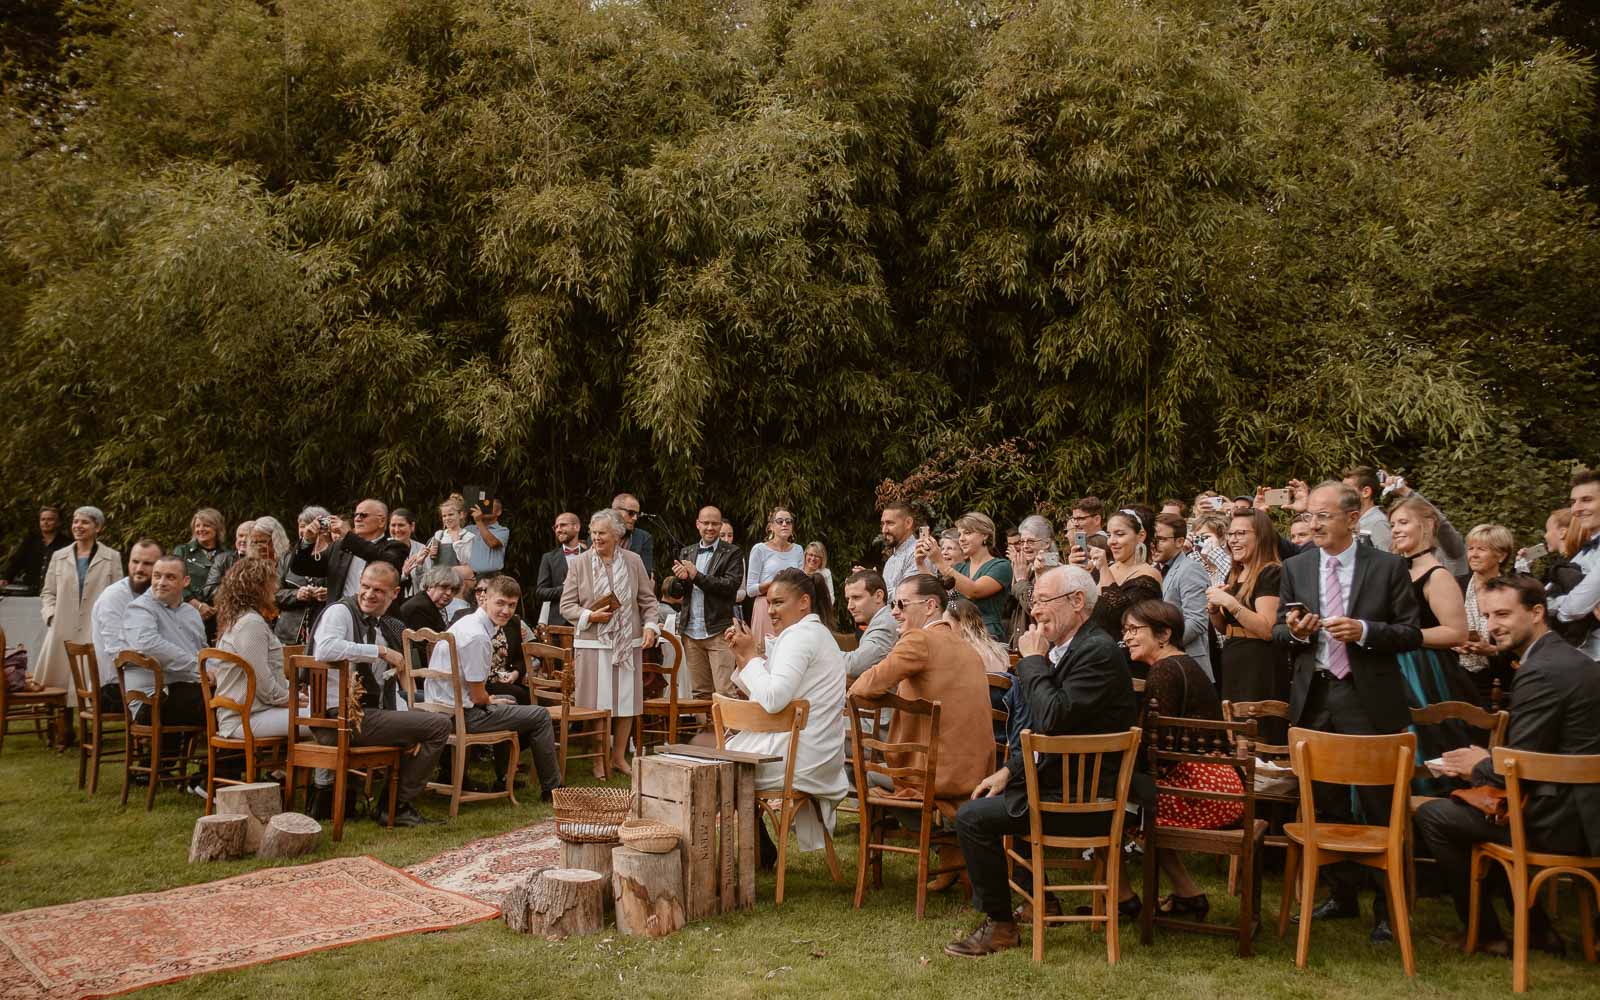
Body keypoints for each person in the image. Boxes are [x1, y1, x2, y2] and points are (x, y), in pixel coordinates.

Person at [944, 566, 1137, 958]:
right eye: (1033, 602)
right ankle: (1040, 901)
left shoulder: (1096, 651)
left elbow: (1051, 718)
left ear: (1077, 602)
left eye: (1044, 601)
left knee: (972, 818)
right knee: (994, 797)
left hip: (1084, 802)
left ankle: (1000, 926)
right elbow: (1049, 735)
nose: (1035, 611)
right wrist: (1008, 770)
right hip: (1060, 786)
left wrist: (1032, 662)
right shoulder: (1076, 647)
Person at [1413, 574, 1600, 957]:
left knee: (1437, 815)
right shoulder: (1562, 658)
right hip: (1574, 805)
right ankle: (1536, 931)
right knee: (1471, 811)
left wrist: (1479, 763)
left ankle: (1487, 934)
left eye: (1502, 614)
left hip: (1566, 820)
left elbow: (1515, 769)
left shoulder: (1544, 670)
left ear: (1536, 613)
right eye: (1486, 616)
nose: (1492, 625)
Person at [1273, 480, 1422, 943]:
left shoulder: (1389, 567)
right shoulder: (1296, 567)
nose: (1313, 524)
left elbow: (1411, 633)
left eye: (1324, 516)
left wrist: (1364, 629)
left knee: (1380, 805)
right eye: (1309, 516)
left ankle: (1387, 907)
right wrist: (1297, 631)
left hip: (1367, 696)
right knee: (1323, 801)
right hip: (1315, 696)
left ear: (1353, 518)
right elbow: (1279, 632)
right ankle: (1340, 894)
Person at [850, 574, 994, 888]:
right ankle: (953, 854)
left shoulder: (919, 641)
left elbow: (862, 686)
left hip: (938, 774)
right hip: (976, 770)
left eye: (901, 604)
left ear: (930, 606)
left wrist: (888, 699)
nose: (894, 612)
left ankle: (948, 849)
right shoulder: (965, 646)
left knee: (865, 770)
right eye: (892, 604)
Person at [1122, 599, 1243, 921]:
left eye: (1135, 630)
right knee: (1133, 801)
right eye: (1126, 630)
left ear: (1164, 635)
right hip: (1223, 785)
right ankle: (1188, 894)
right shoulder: (1183, 664)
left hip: (1205, 793)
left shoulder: (1164, 672)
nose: (1128, 637)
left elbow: (1154, 748)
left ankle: (1120, 899)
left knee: (1118, 804)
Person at [307, 561, 450, 826]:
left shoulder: (385, 626)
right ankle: (396, 807)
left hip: (366, 714)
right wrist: (380, 652)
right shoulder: (340, 611)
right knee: (439, 725)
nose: (369, 594)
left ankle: (391, 804)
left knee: (426, 719)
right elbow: (324, 649)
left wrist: (408, 718)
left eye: (378, 590)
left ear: (395, 593)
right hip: (340, 719)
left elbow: (389, 684)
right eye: (365, 586)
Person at [724, 568, 850, 860]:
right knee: (720, 760)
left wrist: (751, 657)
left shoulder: (799, 637)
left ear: (804, 602)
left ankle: (728, 853)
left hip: (799, 757)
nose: (771, 611)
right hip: (815, 752)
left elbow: (771, 699)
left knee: (711, 769)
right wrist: (745, 656)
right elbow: (770, 691)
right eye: (769, 603)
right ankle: (755, 845)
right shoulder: (813, 634)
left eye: (778, 603)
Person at [424, 575, 562, 798]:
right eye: (500, 603)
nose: (506, 611)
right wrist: (490, 699)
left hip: (443, 708)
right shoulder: (478, 636)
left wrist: (491, 699)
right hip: (459, 715)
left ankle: (503, 779)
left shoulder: (466, 623)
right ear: (484, 598)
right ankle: (553, 789)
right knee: (539, 715)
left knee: (510, 702)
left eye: (512, 605)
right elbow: (479, 697)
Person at [560, 508, 660, 777]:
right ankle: (597, 759)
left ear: (617, 534)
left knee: (626, 702)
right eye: (593, 532)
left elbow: (648, 602)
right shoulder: (579, 563)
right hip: (593, 644)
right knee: (595, 703)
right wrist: (589, 615)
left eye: (601, 533)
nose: (596, 537)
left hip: (628, 643)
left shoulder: (633, 561)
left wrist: (651, 626)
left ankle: (618, 757)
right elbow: (566, 605)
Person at [1388, 495, 1477, 792]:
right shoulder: (1396, 571)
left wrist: (1406, 636)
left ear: (1426, 526)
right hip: (1391, 666)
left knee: (1426, 744)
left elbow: (1457, 633)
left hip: (1425, 671)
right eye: (1392, 525)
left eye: (1403, 522)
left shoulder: (1438, 576)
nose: (1396, 529)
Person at [37, 506, 124, 713]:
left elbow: (118, 593)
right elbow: (47, 592)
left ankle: (91, 730)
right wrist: (50, 616)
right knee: (57, 680)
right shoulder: (59, 556)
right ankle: (61, 729)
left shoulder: (112, 557)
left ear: (98, 528)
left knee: (90, 680)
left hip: (93, 629)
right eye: (75, 521)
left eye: (84, 522)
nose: (78, 526)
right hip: (61, 627)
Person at [1207, 510, 1284, 710]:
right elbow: (1225, 629)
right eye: (1231, 534)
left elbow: (1267, 629)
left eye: (1241, 534)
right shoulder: (1234, 575)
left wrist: (1231, 603)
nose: (1233, 540)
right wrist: (1214, 610)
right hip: (1234, 656)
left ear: (1261, 537)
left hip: (1259, 663)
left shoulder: (1270, 572)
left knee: (1256, 729)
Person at [212, 557, 297, 739]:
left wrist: (293, 692)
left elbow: (268, 678)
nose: (276, 588)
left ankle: (292, 767)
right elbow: (261, 682)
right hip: (246, 717)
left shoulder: (240, 618)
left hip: (256, 711)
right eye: (272, 582)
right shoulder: (250, 623)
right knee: (326, 719)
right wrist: (291, 699)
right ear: (257, 587)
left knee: (322, 710)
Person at [288, 498, 410, 624]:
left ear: (382, 521)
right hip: (339, 620)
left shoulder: (395, 547)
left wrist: (348, 536)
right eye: (355, 515)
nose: (357, 519)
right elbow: (300, 567)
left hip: (378, 623)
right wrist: (307, 541)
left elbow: (387, 562)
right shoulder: (340, 547)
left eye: (363, 515)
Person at [120, 554, 207, 731]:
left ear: (186, 581)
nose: (161, 582)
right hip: (152, 700)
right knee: (218, 703)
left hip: (186, 691)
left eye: (170, 577)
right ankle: (230, 756)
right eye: (157, 576)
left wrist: (217, 671)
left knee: (230, 695)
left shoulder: (191, 613)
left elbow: (203, 652)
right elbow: (149, 644)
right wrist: (199, 669)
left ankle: (226, 756)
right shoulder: (140, 608)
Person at [665, 507, 744, 699]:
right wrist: (679, 581)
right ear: (697, 524)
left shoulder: (732, 552)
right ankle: (704, 729)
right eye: (706, 523)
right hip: (691, 631)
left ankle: (729, 730)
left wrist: (696, 576)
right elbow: (678, 593)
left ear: (720, 526)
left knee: (725, 690)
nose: (710, 527)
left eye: (714, 524)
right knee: (699, 691)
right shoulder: (688, 551)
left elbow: (730, 586)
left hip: (719, 630)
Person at [1081, 508, 1162, 673]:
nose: (1112, 541)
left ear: (1141, 536)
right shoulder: (1100, 570)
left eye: (1119, 534)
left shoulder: (1148, 575)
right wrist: (1078, 573)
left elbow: (1119, 612)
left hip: (1127, 663)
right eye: (1109, 535)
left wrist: (1103, 568)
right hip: (1093, 658)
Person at [88, 538, 163, 715]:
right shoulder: (114, 598)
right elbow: (119, 654)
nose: (139, 569)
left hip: (149, 678)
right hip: (113, 688)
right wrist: (166, 658)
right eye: (135, 562)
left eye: (147, 564)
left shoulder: (159, 594)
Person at [921, 512, 1012, 643]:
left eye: (967, 533)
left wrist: (939, 562)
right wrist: (921, 563)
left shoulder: (1001, 566)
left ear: (985, 535)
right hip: (958, 634)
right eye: (960, 534)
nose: (961, 539)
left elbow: (974, 591)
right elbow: (939, 595)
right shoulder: (960, 569)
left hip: (986, 636)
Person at [1454, 524, 1517, 704]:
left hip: (1498, 683)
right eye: (1470, 549)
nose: (1473, 554)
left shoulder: (1513, 590)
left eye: (1481, 549)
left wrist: (1493, 651)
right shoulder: (1455, 585)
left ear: (1501, 555)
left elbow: (1524, 642)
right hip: (1456, 678)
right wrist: (1452, 643)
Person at [1151, 512, 1213, 680]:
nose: (1154, 545)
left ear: (1179, 542)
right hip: (1158, 665)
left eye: (1162, 539)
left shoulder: (1191, 569)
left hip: (1189, 666)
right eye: (1153, 539)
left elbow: (1197, 621)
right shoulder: (1151, 570)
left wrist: (1162, 646)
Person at [1547, 468, 1600, 658]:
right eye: (1573, 502)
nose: (1576, 509)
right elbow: (1543, 600)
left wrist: (1563, 603)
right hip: (1583, 660)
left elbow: (1574, 609)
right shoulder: (1582, 554)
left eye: (1587, 500)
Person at [745, 507, 805, 642]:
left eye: (789, 521)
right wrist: (777, 583)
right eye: (780, 521)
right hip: (766, 606)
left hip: (790, 607)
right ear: (771, 526)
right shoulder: (760, 549)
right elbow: (750, 590)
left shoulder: (798, 549)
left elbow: (801, 583)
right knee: (765, 654)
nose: (785, 524)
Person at [276, 508, 330, 645]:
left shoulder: (335, 556)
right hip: (289, 633)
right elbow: (273, 594)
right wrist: (296, 595)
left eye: (310, 525)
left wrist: (328, 594)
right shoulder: (287, 558)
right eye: (302, 526)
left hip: (323, 629)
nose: (306, 530)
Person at [1006, 514, 1059, 642]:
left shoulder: (1053, 568)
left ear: (1046, 543)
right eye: (1022, 541)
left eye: (1031, 541)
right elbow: (1008, 608)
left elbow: (1036, 608)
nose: (1025, 546)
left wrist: (1021, 581)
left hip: (1041, 644)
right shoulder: (1027, 566)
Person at [1, 505, 71, 594]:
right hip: (30, 590)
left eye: (50, 519)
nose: (46, 522)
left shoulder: (67, 544)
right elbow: (16, 561)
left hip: (56, 592)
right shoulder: (30, 541)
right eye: (43, 519)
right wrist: (6, 578)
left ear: (58, 522)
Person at [841, 570, 898, 679]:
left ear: (878, 596)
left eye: (856, 598)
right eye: (848, 599)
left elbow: (854, 666)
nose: (850, 606)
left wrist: (822, 650)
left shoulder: (885, 623)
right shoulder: (881, 620)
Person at [171, 508, 225, 620]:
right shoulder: (182, 551)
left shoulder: (227, 555)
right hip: (186, 613)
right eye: (197, 526)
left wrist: (216, 608)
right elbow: (173, 580)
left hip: (218, 616)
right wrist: (197, 605)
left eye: (206, 525)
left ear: (217, 528)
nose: (201, 529)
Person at [534, 511, 584, 627]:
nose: (558, 530)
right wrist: (566, 589)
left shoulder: (592, 555)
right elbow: (540, 592)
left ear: (576, 527)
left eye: (563, 525)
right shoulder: (548, 558)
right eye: (556, 527)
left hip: (586, 619)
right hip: (558, 622)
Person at [876, 502, 935, 595]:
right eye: (883, 524)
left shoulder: (920, 553)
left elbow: (908, 594)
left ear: (908, 523)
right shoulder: (891, 561)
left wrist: (875, 588)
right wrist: (870, 580)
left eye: (890, 523)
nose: (884, 530)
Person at [946, 597, 1010, 675]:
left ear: (962, 624)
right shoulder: (995, 649)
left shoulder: (966, 653)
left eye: (947, 624)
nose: (943, 629)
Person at [1341, 465, 1393, 551]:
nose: (1341, 495)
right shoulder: (1349, 520)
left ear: (1366, 492)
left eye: (1346, 490)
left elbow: (1390, 561)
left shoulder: (1378, 522)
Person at [423, 495, 475, 574]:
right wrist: (430, 553)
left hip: (457, 579)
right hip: (437, 579)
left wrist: (456, 542)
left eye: (450, 514)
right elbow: (429, 563)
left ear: (461, 515)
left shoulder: (467, 536)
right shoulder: (439, 535)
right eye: (444, 516)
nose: (447, 518)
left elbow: (466, 563)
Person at [398, 566, 458, 635]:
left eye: (453, 590)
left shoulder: (432, 606)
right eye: (444, 587)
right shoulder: (419, 608)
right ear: (430, 586)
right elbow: (424, 644)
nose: (449, 593)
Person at [612, 493, 653, 580]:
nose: (635, 518)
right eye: (631, 513)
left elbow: (646, 574)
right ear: (615, 511)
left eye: (637, 514)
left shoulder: (643, 538)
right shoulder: (597, 536)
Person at [466, 496, 510, 577]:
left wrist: (478, 521)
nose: (484, 509)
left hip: (493, 577)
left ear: (499, 512)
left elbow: (492, 543)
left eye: (489, 506)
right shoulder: (469, 529)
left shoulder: (503, 530)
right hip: (471, 577)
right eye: (483, 506)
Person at [390, 508, 428, 598]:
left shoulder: (421, 549)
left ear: (412, 526)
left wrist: (419, 566)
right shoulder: (383, 548)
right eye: (393, 525)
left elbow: (426, 585)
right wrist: (403, 575)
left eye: (401, 525)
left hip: (416, 601)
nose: (396, 529)